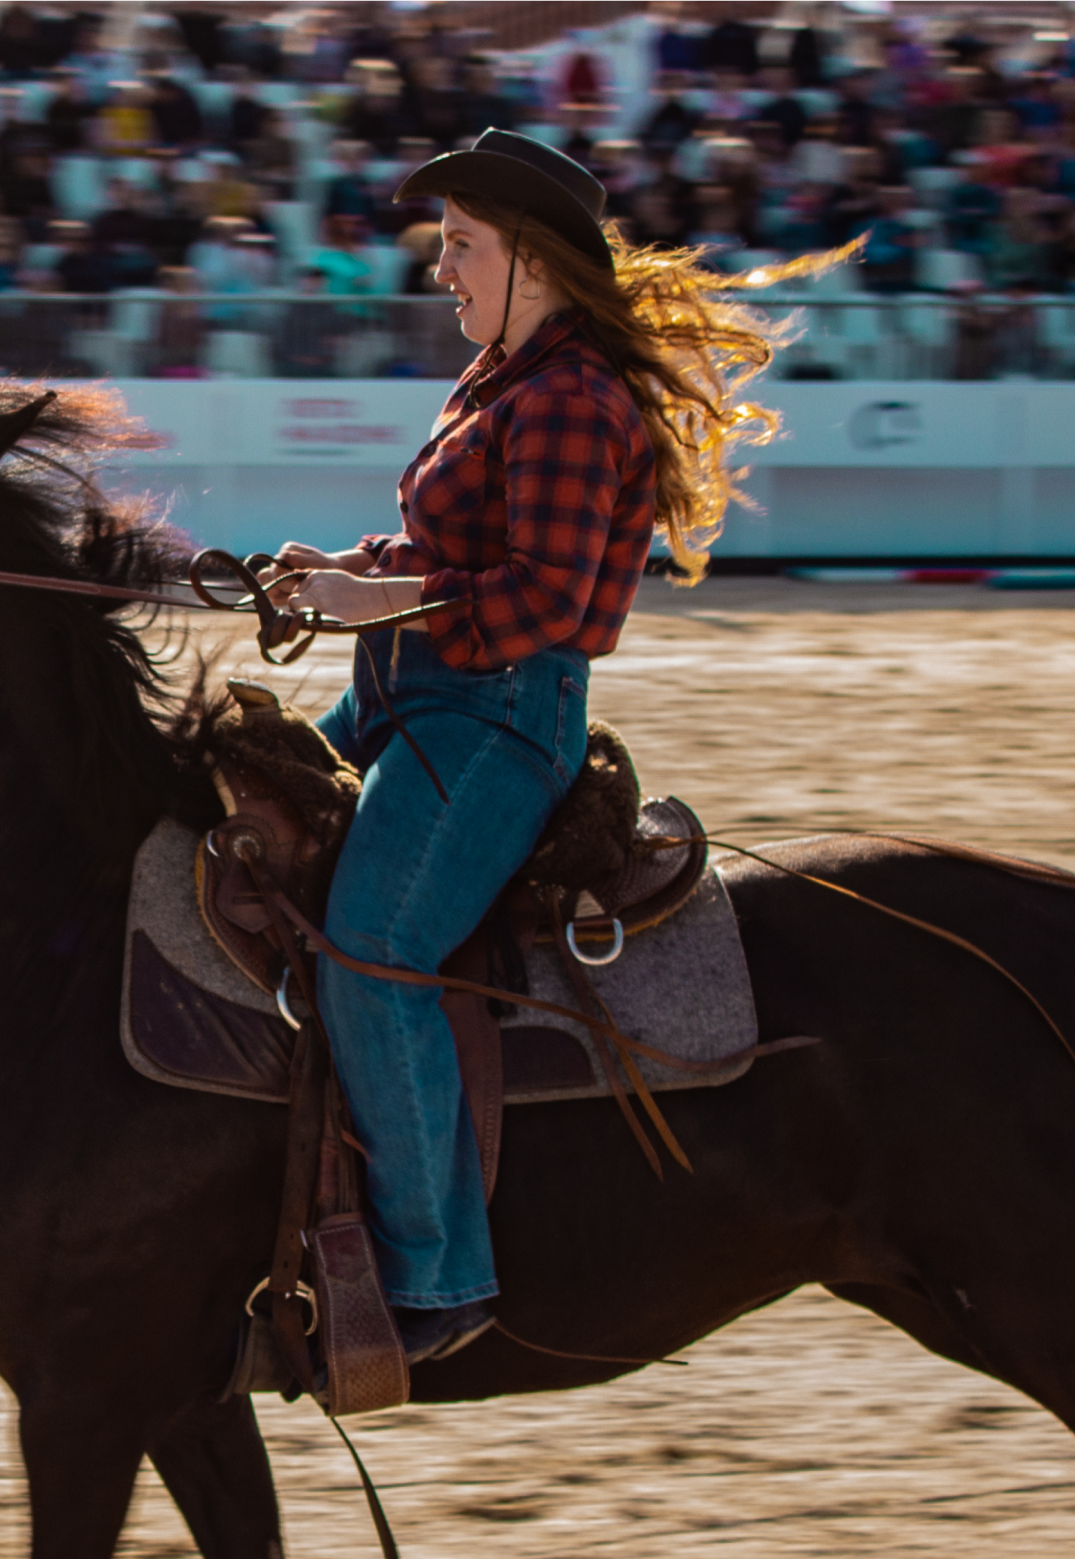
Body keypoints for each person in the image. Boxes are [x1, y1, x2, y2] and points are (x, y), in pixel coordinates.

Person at [261, 128, 800, 1363]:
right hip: (418, 700)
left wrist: (377, 606)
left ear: (537, 264)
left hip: (494, 722)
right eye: (442, 243)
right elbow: (454, 559)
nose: (440, 268)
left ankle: (441, 1282)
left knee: (369, 949)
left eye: (461, 245)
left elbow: (550, 601)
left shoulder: (565, 398)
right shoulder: (507, 376)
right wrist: (342, 573)